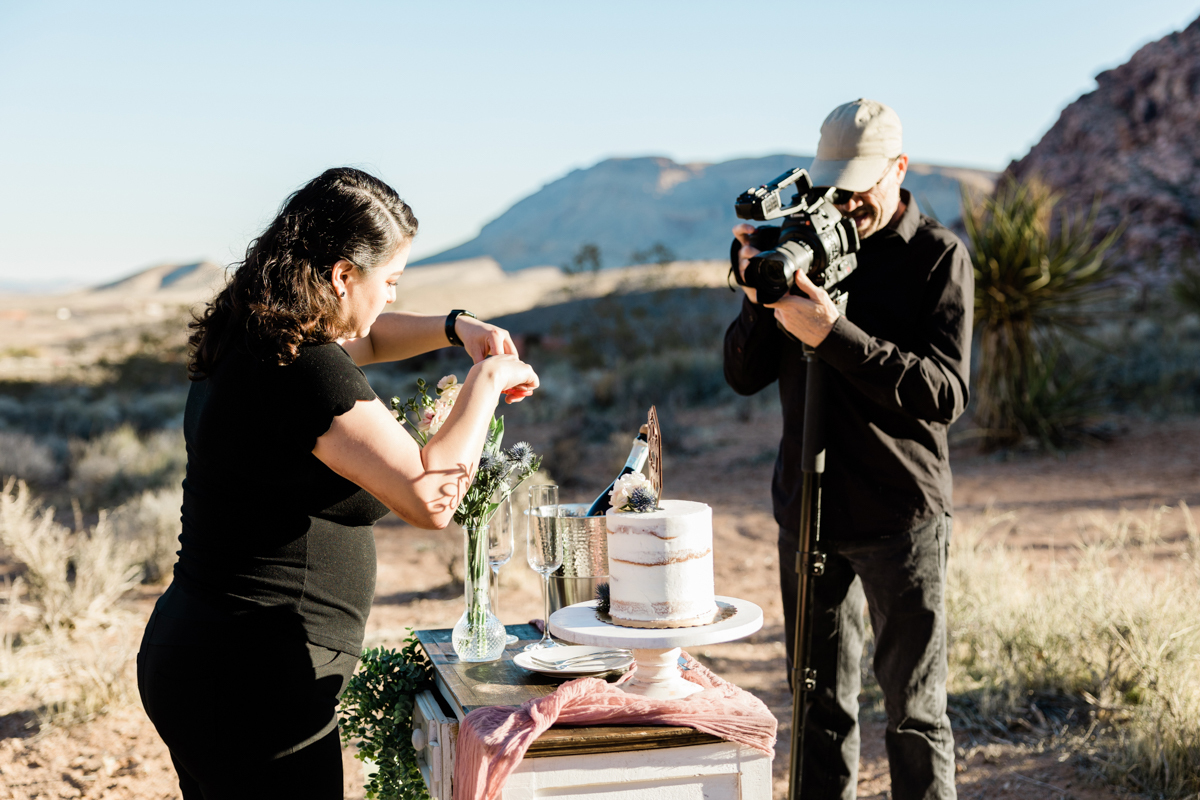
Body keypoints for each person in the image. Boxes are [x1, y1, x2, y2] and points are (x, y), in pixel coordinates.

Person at [136, 167, 540, 799]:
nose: (388, 298)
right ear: (342, 275)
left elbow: (371, 334)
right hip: (252, 680)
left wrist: (455, 326)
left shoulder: (258, 337)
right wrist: (485, 382)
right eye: (390, 282)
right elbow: (432, 498)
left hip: (206, 656)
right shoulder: (307, 373)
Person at [723, 99, 972, 800]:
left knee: (915, 716)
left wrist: (834, 335)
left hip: (901, 514)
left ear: (900, 166)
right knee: (817, 711)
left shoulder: (938, 256)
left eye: (863, 180)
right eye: (837, 180)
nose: (849, 197)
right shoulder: (802, 243)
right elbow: (741, 375)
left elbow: (945, 394)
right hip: (809, 510)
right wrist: (756, 297)